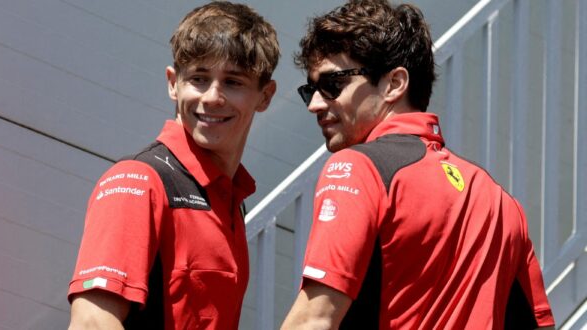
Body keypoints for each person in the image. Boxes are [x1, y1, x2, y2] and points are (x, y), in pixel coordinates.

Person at [281, 0, 555, 329]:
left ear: (395, 83)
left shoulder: (357, 168)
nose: (314, 103)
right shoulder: (503, 203)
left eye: (332, 85)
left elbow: (313, 320)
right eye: (310, 89)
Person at [67, 2, 279, 329]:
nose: (212, 97)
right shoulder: (139, 181)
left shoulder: (232, 198)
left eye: (233, 82)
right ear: (172, 83)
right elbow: (91, 322)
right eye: (199, 78)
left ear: (265, 96)